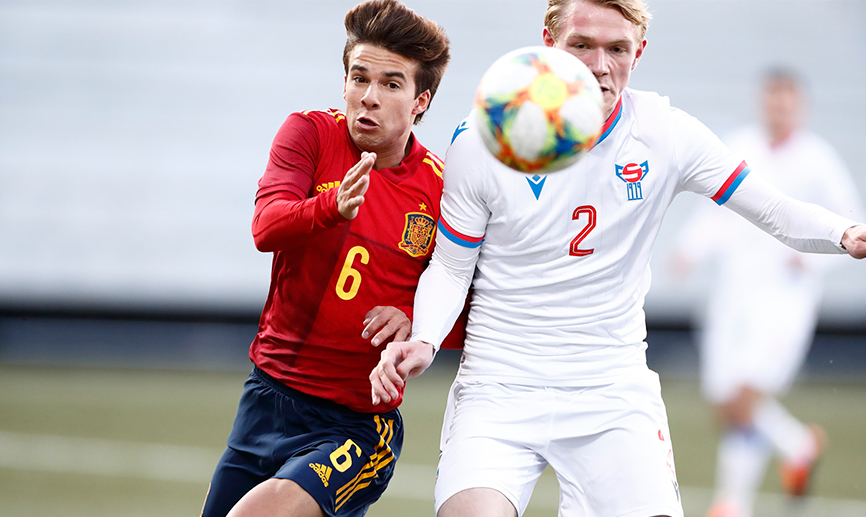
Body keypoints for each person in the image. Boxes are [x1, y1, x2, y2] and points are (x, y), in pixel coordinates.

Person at [369, 1, 866, 517]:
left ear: (639, 52)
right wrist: (426, 337)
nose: (599, 65)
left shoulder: (665, 134)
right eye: (581, 45)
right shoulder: (486, 137)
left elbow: (775, 211)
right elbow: (451, 266)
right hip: (498, 387)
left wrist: (845, 232)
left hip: (611, 391)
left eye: (617, 49)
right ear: (549, 43)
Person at [199, 1, 451, 516]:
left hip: (356, 425)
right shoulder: (309, 133)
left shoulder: (441, 190)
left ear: (421, 101)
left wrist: (413, 318)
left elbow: (469, 305)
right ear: (344, 83)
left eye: (391, 84)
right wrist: (330, 207)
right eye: (359, 78)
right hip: (266, 396)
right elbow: (267, 228)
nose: (370, 97)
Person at [670, 69, 864, 517]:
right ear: (763, 103)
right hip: (734, 290)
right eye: (772, 99)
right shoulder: (742, 146)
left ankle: (732, 503)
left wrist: (812, 258)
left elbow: (850, 219)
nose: (778, 108)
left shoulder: (818, 160)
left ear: (799, 106)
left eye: (787, 101)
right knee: (725, 399)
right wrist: (690, 250)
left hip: (784, 299)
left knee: (746, 394)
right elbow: (716, 209)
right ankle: (796, 445)